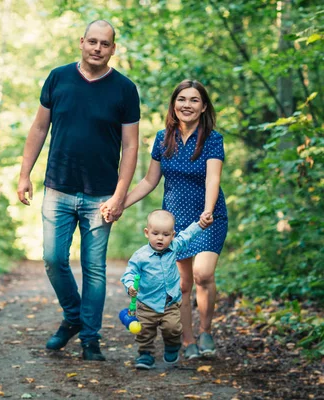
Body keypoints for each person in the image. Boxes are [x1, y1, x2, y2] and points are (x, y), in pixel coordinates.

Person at [16, 20, 141, 361]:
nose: (98, 48)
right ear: (81, 42)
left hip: (101, 195)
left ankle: (90, 337)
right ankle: (73, 316)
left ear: (113, 49)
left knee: (94, 268)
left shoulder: (125, 90)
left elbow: (130, 147)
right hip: (58, 186)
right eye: (93, 42)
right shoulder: (58, 78)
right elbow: (40, 127)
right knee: (54, 260)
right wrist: (24, 173)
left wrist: (119, 194)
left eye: (105, 44)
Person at [110, 79, 227, 360]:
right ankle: (188, 341)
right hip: (174, 222)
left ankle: (206, 331)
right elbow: (150, 180)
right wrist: (120, 202)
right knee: (182, 284)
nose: (187, 105)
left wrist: (208, 210)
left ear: (203, 107)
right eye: (182, 99)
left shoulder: (212, 139)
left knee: (203, 274)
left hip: (207, 217)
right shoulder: (163, 138)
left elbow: (213, 177)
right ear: (174, 105)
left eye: (194, 100)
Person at [120, 210, 212, 369]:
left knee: (173, 328)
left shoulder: (174, 246)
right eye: (155, 233)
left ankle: (172, 345)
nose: (160, 238)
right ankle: (145, 354)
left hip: (170, 303)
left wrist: (200, 225)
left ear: (172, 235)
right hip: (147, 303)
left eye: (165, 234)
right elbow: (130, 272)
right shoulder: (140, 256)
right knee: (144, 332)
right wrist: (130, 286)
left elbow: (187, 235)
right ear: (147, 233)